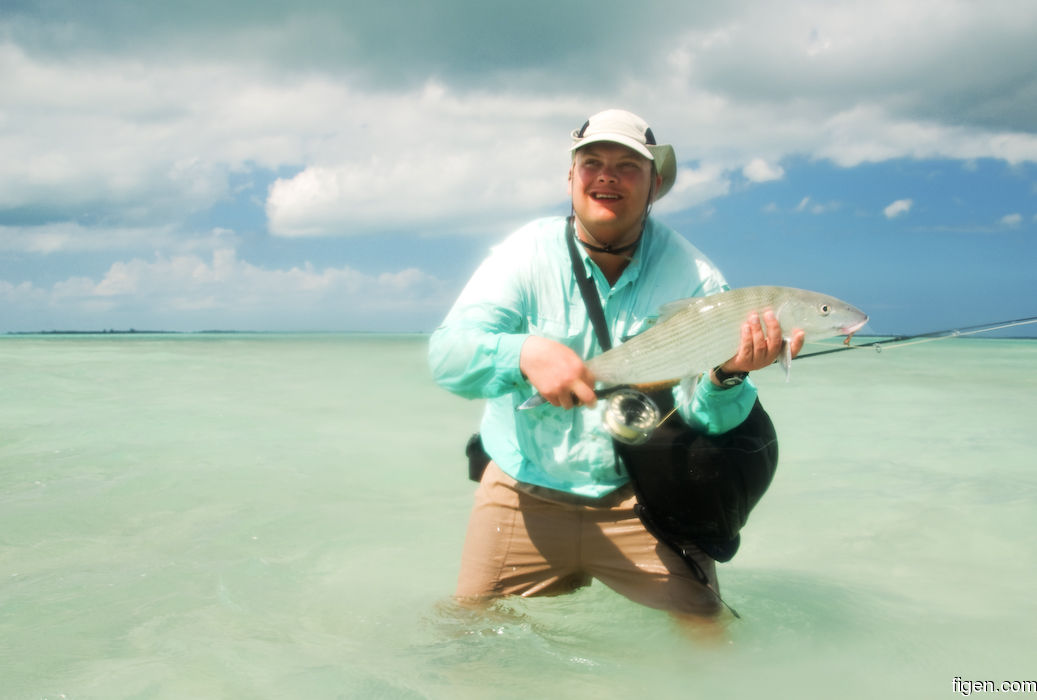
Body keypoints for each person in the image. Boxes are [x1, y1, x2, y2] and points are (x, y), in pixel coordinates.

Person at [428, 109, 803, 620]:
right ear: (571, 178)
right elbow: (447, 357)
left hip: (641, 498)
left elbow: (706, 418)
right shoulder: (524, 255)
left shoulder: (695, 276)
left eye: (628, 165)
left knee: (710, 635)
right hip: (522, 490)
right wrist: (524, 352)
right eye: (592, 161)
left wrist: (729, 374)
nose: (607, 174)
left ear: (655, 184)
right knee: (464, 635)